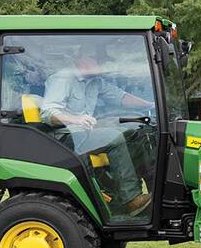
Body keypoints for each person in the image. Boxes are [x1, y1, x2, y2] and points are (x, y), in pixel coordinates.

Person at [41, 44, 154, 216]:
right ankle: (131, 199)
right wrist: (75, 119)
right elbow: (47, 113)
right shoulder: (63, 79)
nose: (102, 64)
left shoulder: (95, 82)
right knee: (115, 137)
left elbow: (121, 97)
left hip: (84, 135)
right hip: (65, 138)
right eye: (99, 61)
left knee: (134, 133)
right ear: (83, 59)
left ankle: (140, 193)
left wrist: (152, 105)